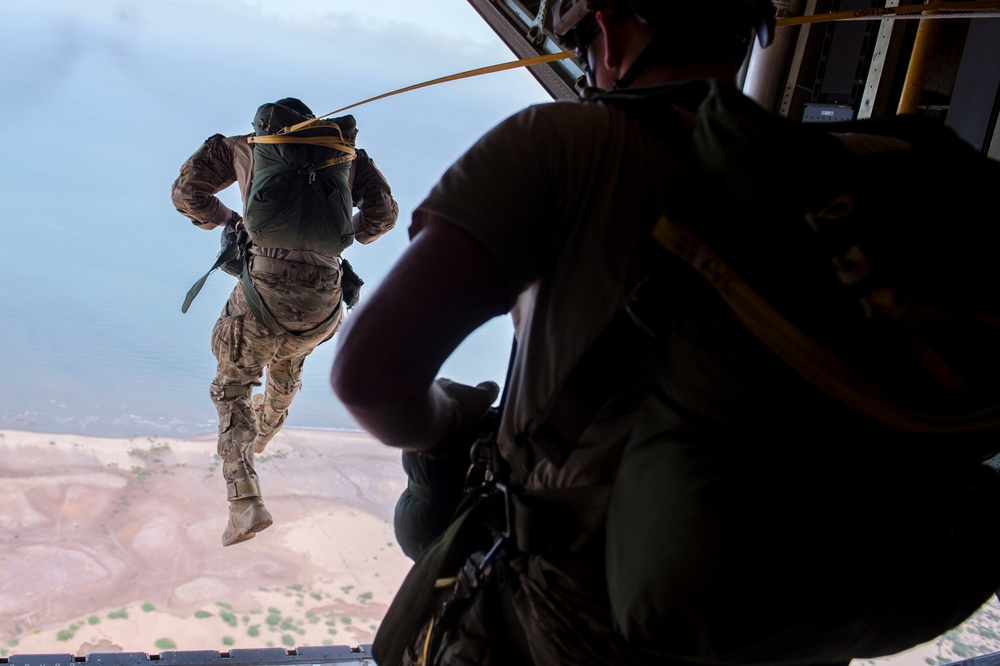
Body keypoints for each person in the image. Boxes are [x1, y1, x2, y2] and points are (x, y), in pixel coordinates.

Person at [330, 3, 1000, 665]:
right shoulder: (830, 198)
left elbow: (371, 378)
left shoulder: (563, 143)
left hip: (569, 627)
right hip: (779, 630)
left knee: (426, 532)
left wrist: (448, 423)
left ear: (610, 32)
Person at [173, 97, 398, 547]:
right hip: (324, 299)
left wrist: (229, 218)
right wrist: (341, 238)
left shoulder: (245, 147)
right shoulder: (345, 156)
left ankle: (244, 502)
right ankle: (267, 429)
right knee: (289, 359)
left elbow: (186, 194)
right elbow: (384, 216)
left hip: (262, 292)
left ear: (266, 126)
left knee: (232, 388)